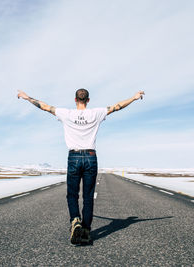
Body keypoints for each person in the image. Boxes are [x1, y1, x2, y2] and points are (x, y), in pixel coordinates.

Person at [17, 88, 145, 245]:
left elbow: (44, 106)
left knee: (72, 194)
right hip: (91, 157)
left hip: (74, 157)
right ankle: (85, 230)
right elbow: (117, 106)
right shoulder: (96, 113)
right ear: (88, 100)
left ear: (75, 100)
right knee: (88, 197)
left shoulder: (66, 113)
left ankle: (75, 220)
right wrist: (134, 97)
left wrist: (26, 97)